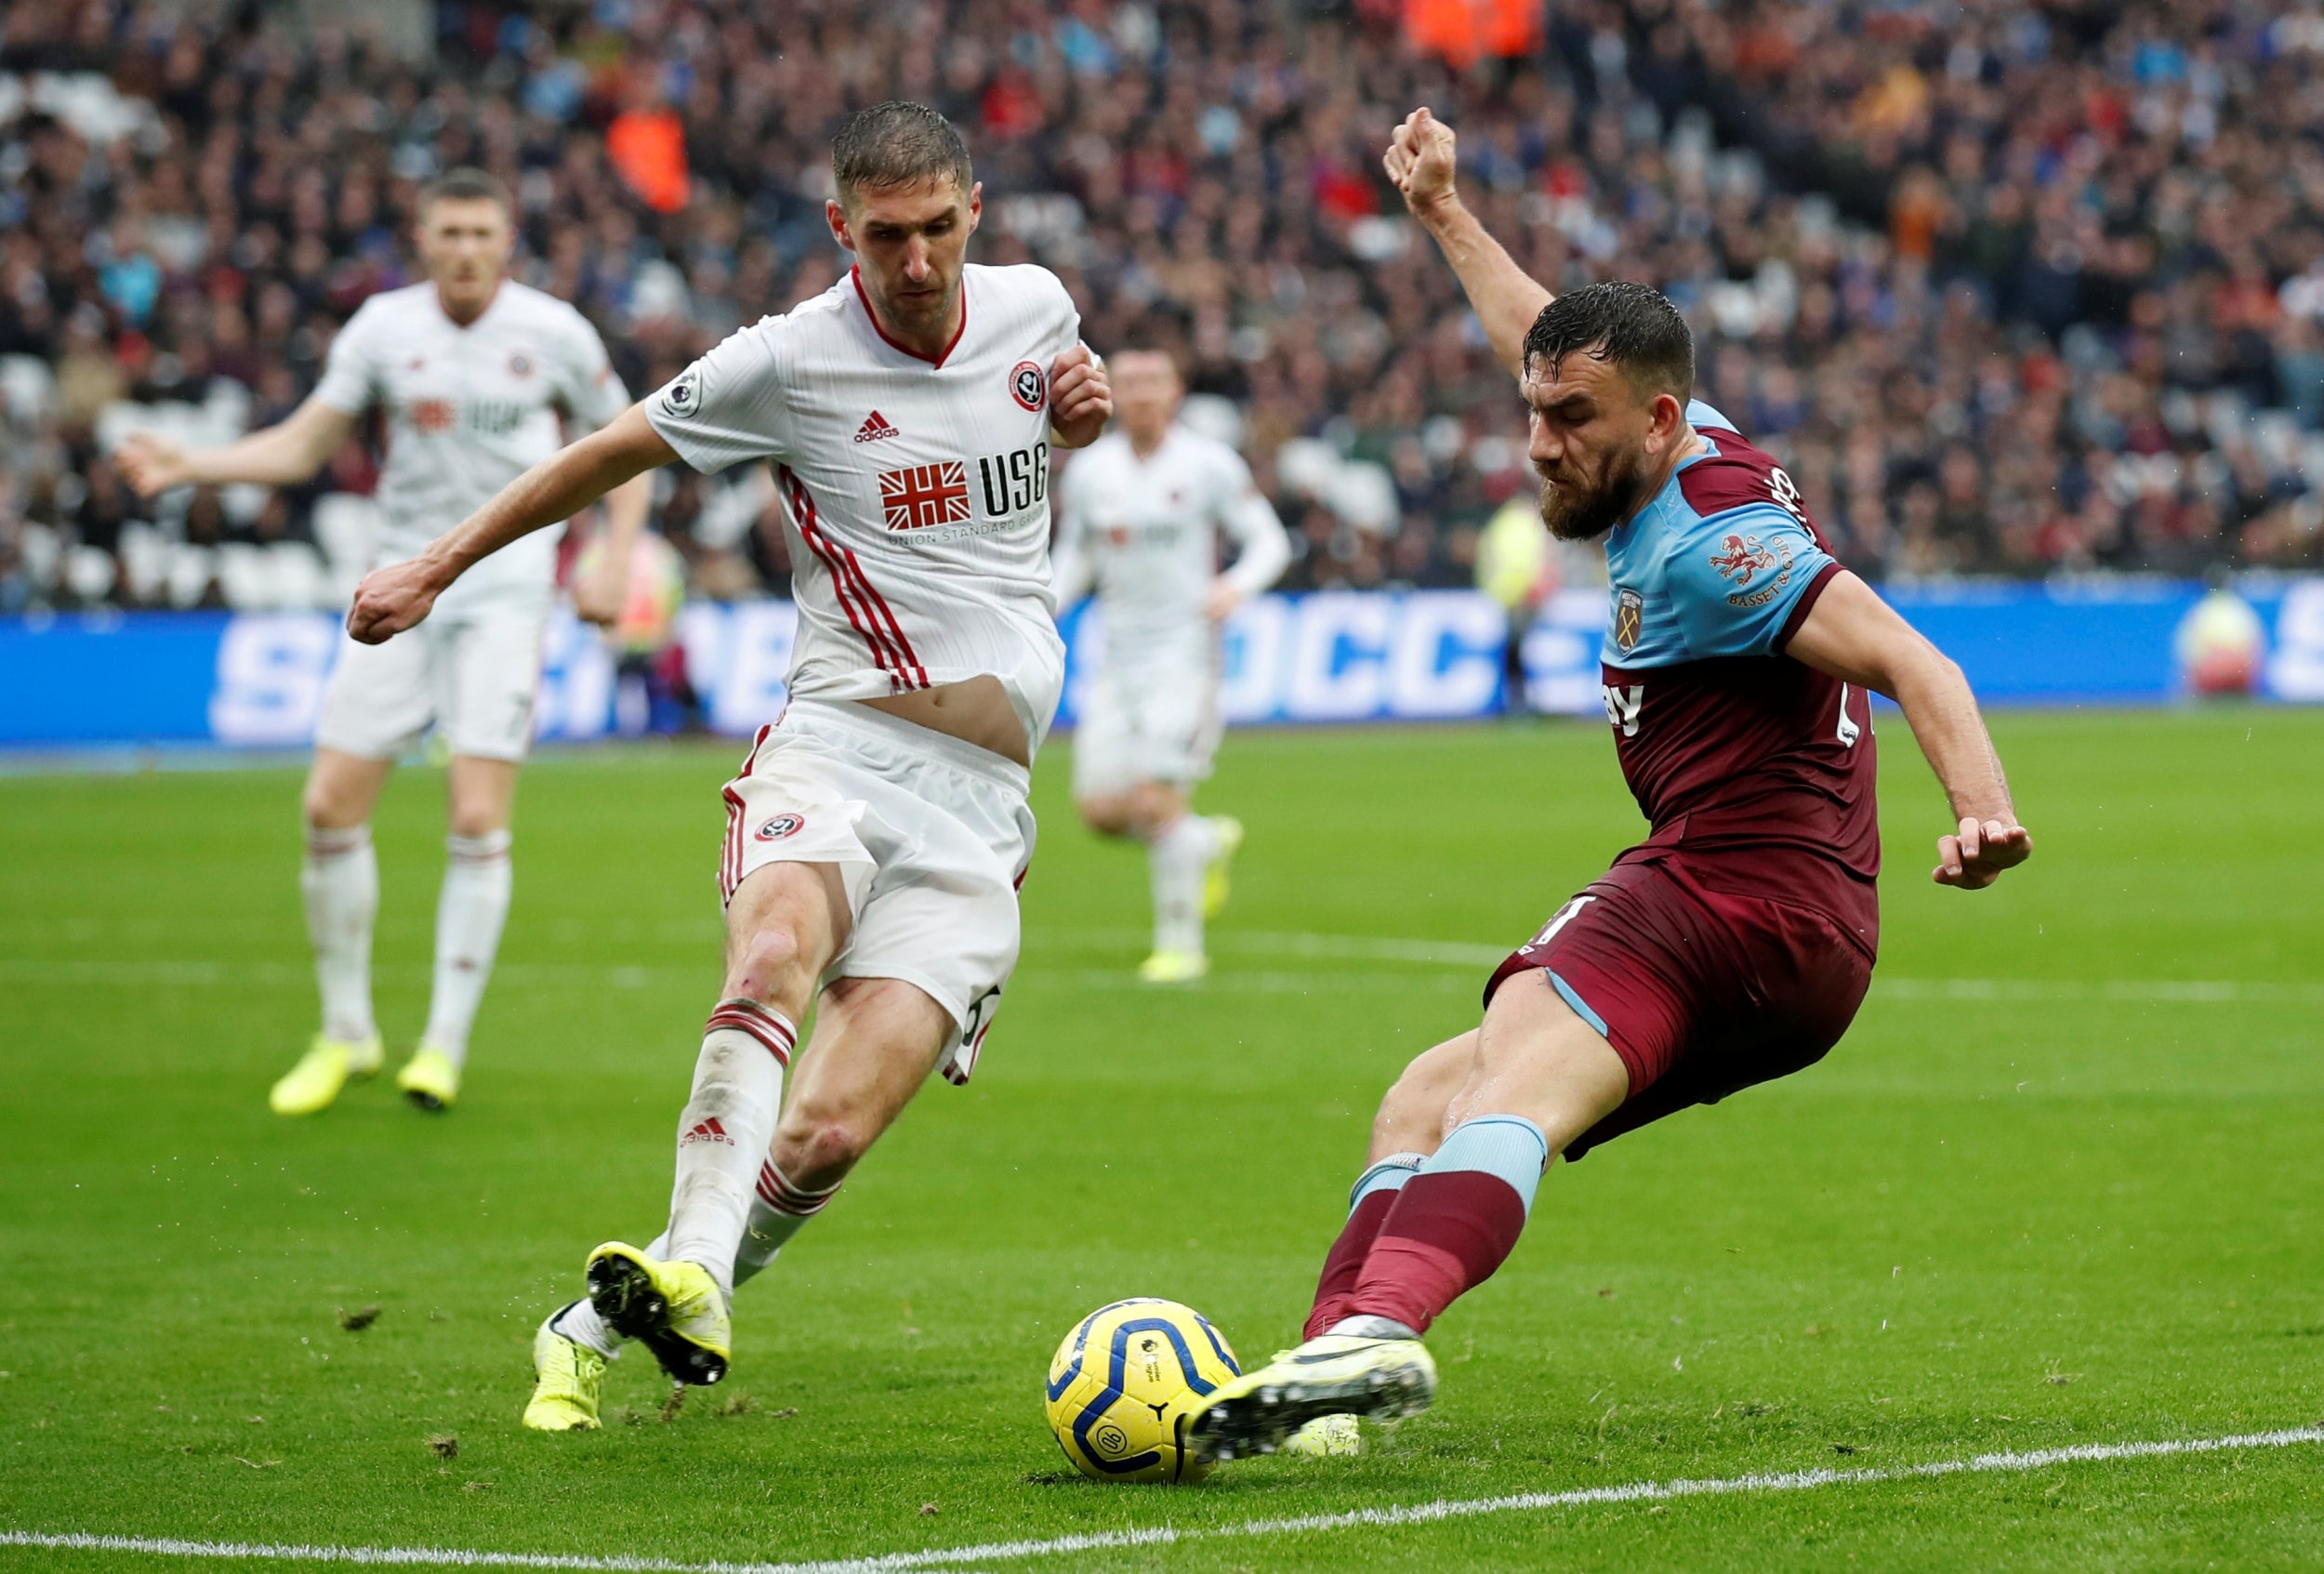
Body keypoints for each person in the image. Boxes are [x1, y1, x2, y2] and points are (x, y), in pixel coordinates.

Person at [1188, 109, 2033, 1461]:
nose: (1538, 447)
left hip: (1739, 896)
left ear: (1651, 418)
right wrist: (1446, 213)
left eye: (1569, 423)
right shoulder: (1662, 428)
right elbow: (1546, 333)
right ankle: (1317, 1388)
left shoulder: (1718, 544)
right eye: (1535, 414)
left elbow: (1910, 658)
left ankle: (1384, 1329)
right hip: (1798, 943)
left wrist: (1980, 808)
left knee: (1521, 1033)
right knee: (1424, 1098)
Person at [337, 102, 1112, 1431]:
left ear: (975, 213)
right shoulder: (787, 362)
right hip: (840, 744)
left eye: (937, 230)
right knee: (770, 959)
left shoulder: (1038, 308)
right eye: (886, 238)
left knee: (826, 1138)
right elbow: (599, 455)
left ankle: (600, 1321)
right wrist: (433, 564)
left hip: (985, 810)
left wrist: (1079, 423)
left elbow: (1055, 416)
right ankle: (695, 1267)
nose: (916, 263)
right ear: (840, 229)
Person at [116, 167, 650, 1118]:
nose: (465, 249)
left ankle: (440, 1045)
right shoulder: (383, 331)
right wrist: (190, 463)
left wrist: (615, 552)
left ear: (508, 239)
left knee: (479, 818)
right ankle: (346, 1030)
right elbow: (301, 446)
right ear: (422, 239)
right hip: (399, 589)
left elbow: (626, 443)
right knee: (327, 804)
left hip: (504, 594)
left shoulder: (555, 331)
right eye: (448, 232)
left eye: (482, 232)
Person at [1050, 350, 1290, 982]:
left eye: (1153, 381)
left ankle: (1181, 945)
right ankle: (1204, 841)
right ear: (1112, 394)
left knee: (1157, 799)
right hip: (1116, 656)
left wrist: (1235, 586)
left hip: (1184, 655)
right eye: (1127, 383)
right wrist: (1042, 604)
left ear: (1176, 391)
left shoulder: (1208, 464)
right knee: (1101, 810)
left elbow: (1270, 540)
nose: (1141, 394)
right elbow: (1074, 557)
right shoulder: (1090, 472)